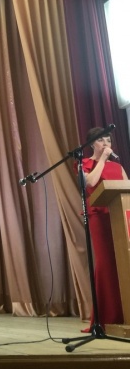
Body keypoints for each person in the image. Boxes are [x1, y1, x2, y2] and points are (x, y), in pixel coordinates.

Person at [76, 127, 128, 332]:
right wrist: (103, 160)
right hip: (99, 217)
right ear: (91, 144)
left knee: (124, 262)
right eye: (101, 140)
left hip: (119, 216)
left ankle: (126, 313)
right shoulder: (84, 163)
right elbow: (90, 183)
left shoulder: (118, 166)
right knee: (106, 264)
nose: (106, 144)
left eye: (109, 140)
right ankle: (105, 318)